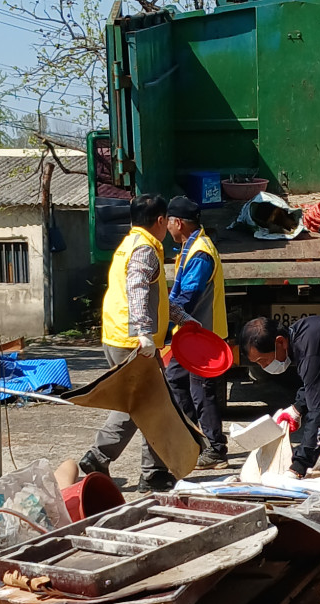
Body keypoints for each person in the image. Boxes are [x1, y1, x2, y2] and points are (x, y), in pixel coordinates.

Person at [77, 193, 182, 492]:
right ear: (160, 220)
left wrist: (185, 319)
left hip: (118, 336)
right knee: (148, 405)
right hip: (134, 342)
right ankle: (146, 472)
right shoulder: (146, 249)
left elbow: (156, 297)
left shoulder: (129, 244)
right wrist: (144, 332)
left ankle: (118, 463)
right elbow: (137, 288)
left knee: (139, 403)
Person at [236, 313, 320, 478]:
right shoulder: (301, 334)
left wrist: (298, 466)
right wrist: (297, 408)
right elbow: (316, 381)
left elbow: (319, 412)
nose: (264, 366)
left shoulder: (310, 351)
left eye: (264, 360)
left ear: (280, 342)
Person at [164, 194, 230, 468]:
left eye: (168, 221)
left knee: (202, 391)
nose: (166, 226)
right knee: (175, 379)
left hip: (205, 336)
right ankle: (194, 439)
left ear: (178, 223)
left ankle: (216, 449)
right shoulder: (191, 247)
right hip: (191, 334)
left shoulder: (200, 252)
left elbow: (187, 297)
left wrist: (164, 322)